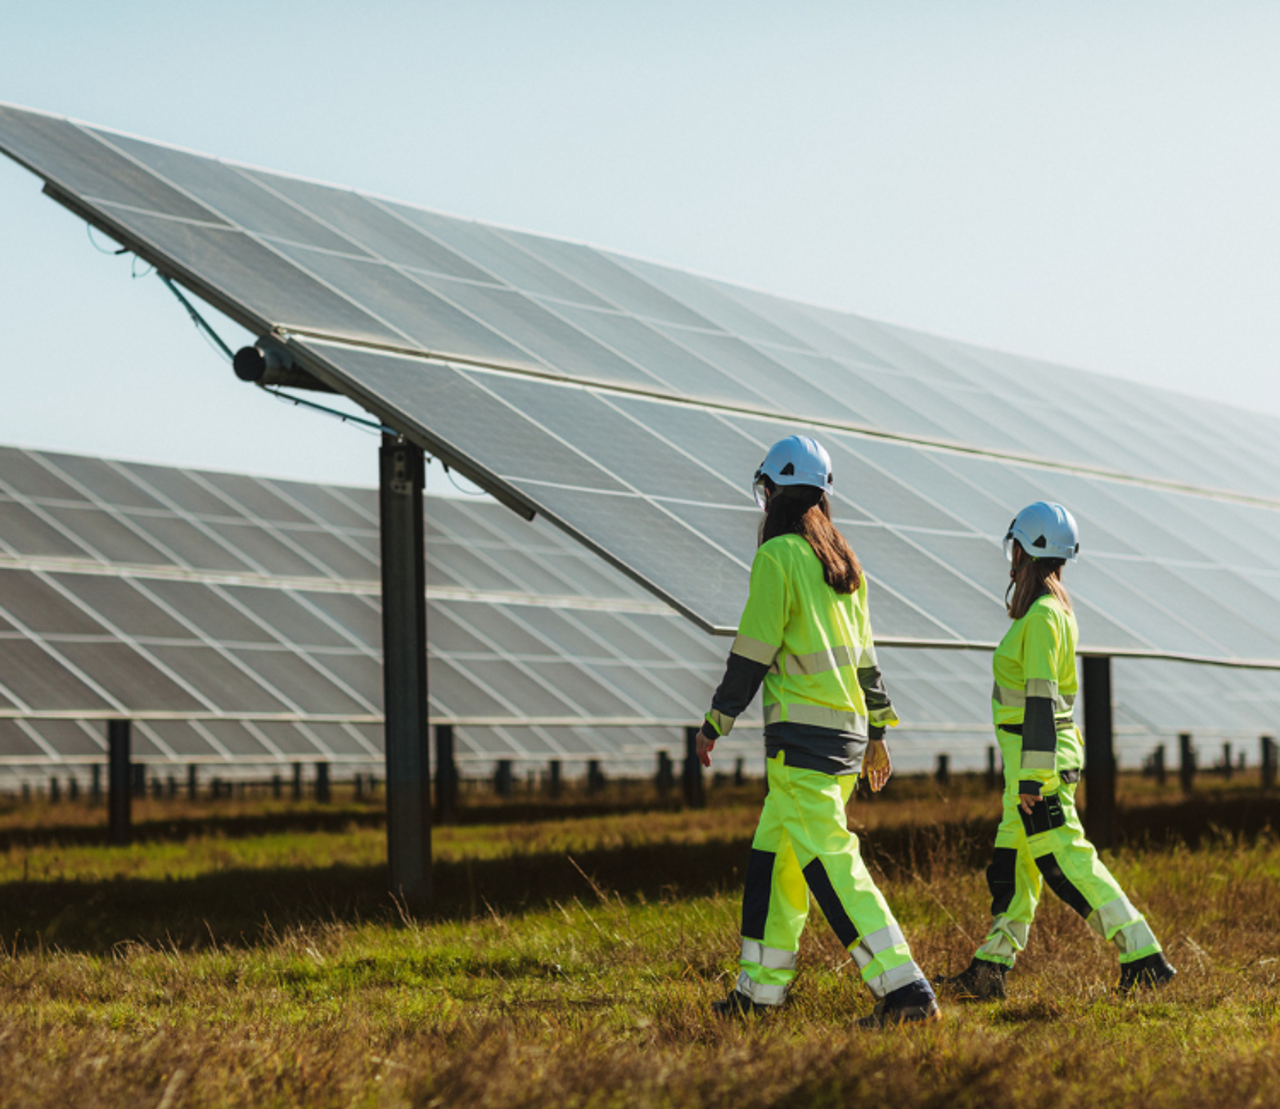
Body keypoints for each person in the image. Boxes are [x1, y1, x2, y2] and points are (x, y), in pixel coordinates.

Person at [698, 434, 939, 1028]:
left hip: (801, 743)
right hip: (843, 739)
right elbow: (867, 661)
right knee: (774, 862)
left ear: (774, 492)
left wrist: (715, 722)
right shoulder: (846, 569)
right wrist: (878, 732)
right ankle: (759, 993)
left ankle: (905, 988)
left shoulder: (778, 556)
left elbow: (753, 651)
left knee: (831, 862)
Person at [936, 502, 1176, 1000]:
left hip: (1037, 764)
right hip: (1025, 764)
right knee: (1013, 868)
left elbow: (1042, 700)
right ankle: (990, 969)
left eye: (1014, 547)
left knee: (1065, 861)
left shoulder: (1044, 616)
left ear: (1023, 550)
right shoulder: (1050, 612)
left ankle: (1143, 955)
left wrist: (1030, 778)